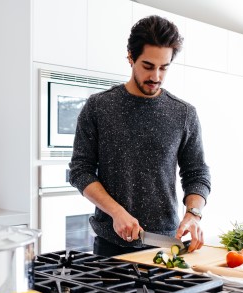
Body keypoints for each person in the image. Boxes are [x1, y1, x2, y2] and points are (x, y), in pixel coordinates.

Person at [68, 15, 211, 257]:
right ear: (130, 58)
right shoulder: (99, 107)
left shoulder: (184, 113)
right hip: (110, 246)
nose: (156, 76)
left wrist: (193, 214)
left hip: (166, 244)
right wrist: (116, 212)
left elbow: (197, 173)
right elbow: (80, 171)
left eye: (164, 67)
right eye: (148, 66)